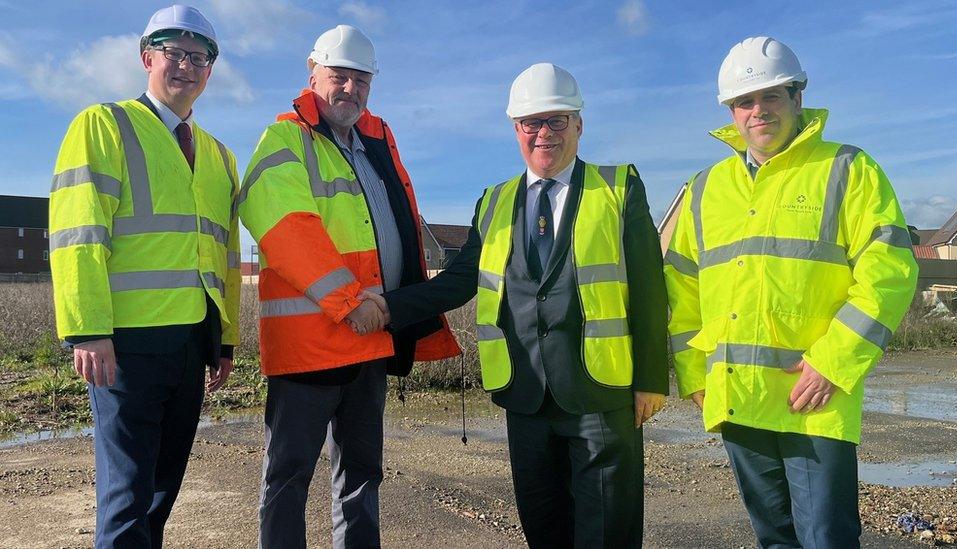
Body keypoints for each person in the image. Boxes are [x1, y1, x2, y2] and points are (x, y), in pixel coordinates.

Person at [360, 63, 670, 548]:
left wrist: (651, 379)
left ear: (579, 125)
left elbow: (651, 289)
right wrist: (387, 306)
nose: (543, 133)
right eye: (532, 123)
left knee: (608, 529)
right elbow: (461, 281)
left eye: (556, 121)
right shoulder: (494, 200)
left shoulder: (619, 188)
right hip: (525, 396)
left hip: (601, 392)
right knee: (543, 527)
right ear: (516, 129)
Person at [664, 36, 918, 548]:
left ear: (798, 98)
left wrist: (833, 362)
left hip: (813, 399)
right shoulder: (705, 188)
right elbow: (681, 290)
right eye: (744, 102)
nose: (758, 111)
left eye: (771, 96)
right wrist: (695, 376)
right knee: (773, 540)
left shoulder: (847, 169)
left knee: (826, 539)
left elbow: (889, 268)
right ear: (731, 113)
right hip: (735, 397)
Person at [236, 24, 460, 548]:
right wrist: (349, 302)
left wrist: (391, 311)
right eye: (339, 76)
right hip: (311, 348)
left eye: (361, 80)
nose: (350, 90)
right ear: (313, 73)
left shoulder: (377, 143)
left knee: (361, 478)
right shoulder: (286, 137)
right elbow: (285, 225)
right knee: (288, 479)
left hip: (369, 342)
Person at [48, 5, 240, 547]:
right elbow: (79, 233)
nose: (187, 66)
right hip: (127, 344)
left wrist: (224, 339)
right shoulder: (104, 124)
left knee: (162, 488)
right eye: (174, 53)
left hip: (191, 341)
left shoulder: (220, 157)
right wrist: (88, 329)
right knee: (126, 492)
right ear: (146, 57)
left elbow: (223, 255)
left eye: (199, 57)